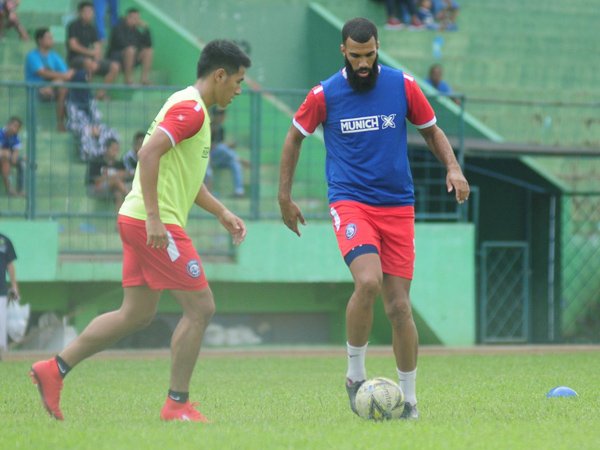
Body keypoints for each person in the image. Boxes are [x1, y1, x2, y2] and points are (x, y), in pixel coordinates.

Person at [30, 39, 251, 422]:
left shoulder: (188, 106)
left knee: (135, 313)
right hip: (154, 223)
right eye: (238, 81)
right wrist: (153, 217)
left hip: (141, 219)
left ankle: (54, 369)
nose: (239, 89)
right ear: (220, 75)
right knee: (201, 308)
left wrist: (221, 212)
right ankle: (177, 403)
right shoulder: (192, 110)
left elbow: (185, 177)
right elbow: (148, 155)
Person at [278, 17, 469, 420]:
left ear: (377, 47)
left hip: (398, 205)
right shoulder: (324, 94)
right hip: (351, 202)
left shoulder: (403, 86)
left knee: (399, 308)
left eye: (369, 55)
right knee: (368, 281)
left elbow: (432, 131)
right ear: (342, 51)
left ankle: (410, 400)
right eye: (355, 55)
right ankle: (354, 375)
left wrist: (453, 168)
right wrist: (284, 197)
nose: (363, 63)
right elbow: (294, 136)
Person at [66, 1, 119, 99]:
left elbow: (97, 46)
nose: (88, 14)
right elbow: (73, 46)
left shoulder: (92, 28)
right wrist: (90, 53)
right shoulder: (73, 26)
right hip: (75, 59)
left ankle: (100, 94)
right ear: (80, 13)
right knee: (90, 64)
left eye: (91, 12)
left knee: (114, 66)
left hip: (90, 59)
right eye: (86, 12)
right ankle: (87, 95)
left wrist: (97, 56)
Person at [24, 27, 75, 131]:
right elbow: (42, 73)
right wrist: (62, 76)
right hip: (36, 90)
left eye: (52, 37)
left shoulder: (54, 56)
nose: (52, 40)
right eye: (48, 38)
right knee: (61, 82)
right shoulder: (32, 56)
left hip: (53, 89)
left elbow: (66, 73)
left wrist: (60, 78)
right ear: (40, 40)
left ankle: (61, 123)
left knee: (62, 87)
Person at [66, 67, 119, 160]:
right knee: (86, 132)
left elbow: (96, 114)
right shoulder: (71, 99)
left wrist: (95, 126)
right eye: (86, 80)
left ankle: (103, 154)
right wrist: (90, 127)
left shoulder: (90, 98)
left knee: (110, 131)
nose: (89, 83)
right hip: (78, 126)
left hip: (93, 125)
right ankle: (89, 156)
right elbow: (74, 117)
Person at [205, 108, 246, 198]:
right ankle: (238, 158)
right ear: (215, 116)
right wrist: (225, 145)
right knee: (222, 148)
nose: (222, 118)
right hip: (208, 157)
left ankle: (239, 191)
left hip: (219, 157)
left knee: (235, 164)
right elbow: (207, 147)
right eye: (220, 115)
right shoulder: (209, 127)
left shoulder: (221, 129)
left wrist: (227, 145)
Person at [106, 7, 153, 85]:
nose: (136, 20)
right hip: (116, 56)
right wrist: (135, 49)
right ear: (127, 17)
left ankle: (144, 79)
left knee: (148, 51)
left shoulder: (136, 31)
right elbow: (121, 43)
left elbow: (148, 44)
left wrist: (146, 28)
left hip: (132, 56)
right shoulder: (118, 27)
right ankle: (128, 79)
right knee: (130, 50)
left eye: (137, 18)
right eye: (134, 18)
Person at [86, 137, 129, 211]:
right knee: (115, 180)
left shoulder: (119, 164)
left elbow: (125, 176)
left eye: (117, 149)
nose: (116, 152)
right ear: (106, 149)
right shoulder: (96, 161)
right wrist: (113, 177)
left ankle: (119, 220)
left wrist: (116, 176)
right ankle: (129, 195)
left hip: (113, 189)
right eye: (113, 149)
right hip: (96, 188)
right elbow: (95, 180)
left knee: (118, 193)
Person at [0, 232, 19, 358]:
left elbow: (10, 265)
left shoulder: (5, 241)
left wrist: (14, 286)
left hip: (1, 289)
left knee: (1, 322)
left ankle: (1, 351)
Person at [0, 116, 26, 196]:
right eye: (14, 125)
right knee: (5, 160)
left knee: (22, 163)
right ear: (8, 124)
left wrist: (10, 155)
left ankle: (20, 190)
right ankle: (10, 189)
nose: (16, 128)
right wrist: (6, 153)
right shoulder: (1, 133)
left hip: (6, 158)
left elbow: (15, 155)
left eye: (18, 127)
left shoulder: (15, 137)